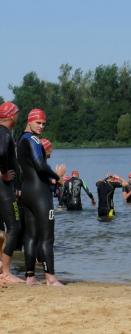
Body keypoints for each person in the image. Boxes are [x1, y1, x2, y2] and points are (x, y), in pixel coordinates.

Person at [17, 108, 64, 286]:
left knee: (30, 236)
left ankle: (30, 276)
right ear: (29, 121)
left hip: (27, 192)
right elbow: (40, 164)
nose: (41, 126)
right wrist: (57, 177)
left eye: (44, 124)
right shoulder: (34, 139)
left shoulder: (21, 139)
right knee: (47, 238)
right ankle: (50, 277)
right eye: (38, 122)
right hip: (40, 193)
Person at [0, 101, 24, 284]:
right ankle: (6, 272)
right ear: (10, 115)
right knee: (14, 227)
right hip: (3, 187)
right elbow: (1, 153)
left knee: (2, 230)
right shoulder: (5, 133)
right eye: (17, 113)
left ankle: (2, 266)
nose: (18, 116)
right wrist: (4, 173)